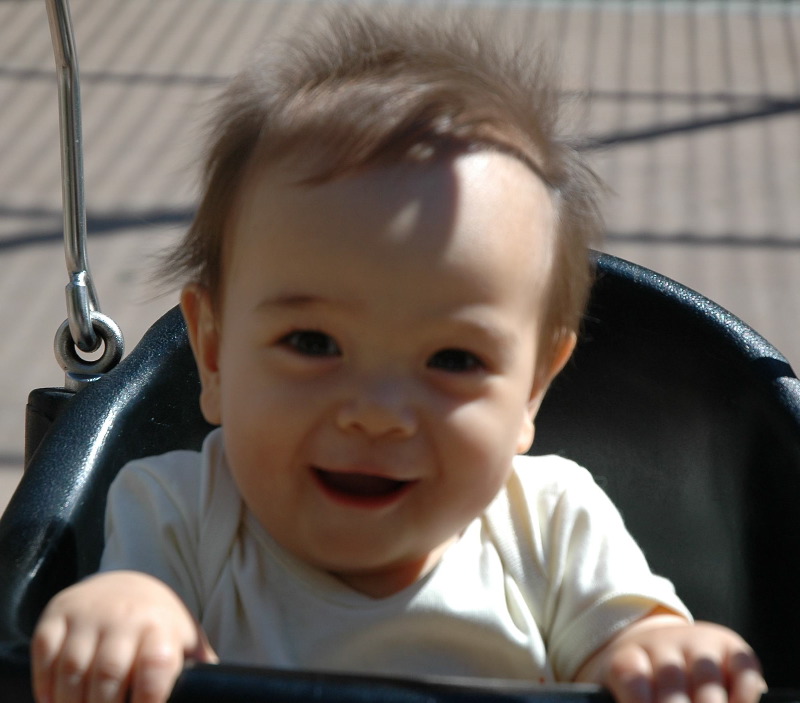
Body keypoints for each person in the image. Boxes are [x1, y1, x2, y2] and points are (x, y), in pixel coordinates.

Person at [31, 9, 766, 703]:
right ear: (215, 355)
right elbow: (134, 605)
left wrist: (661, 655)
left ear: (533, 392)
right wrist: (124, 613)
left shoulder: (551, 523)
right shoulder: (180, 516)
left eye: (453, 358)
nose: (376, 414)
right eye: (312, 343)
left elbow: (635, 642)